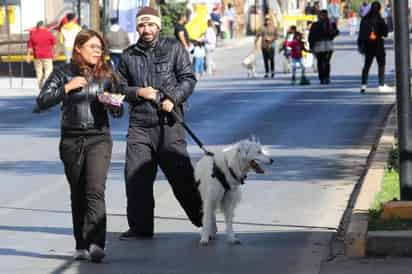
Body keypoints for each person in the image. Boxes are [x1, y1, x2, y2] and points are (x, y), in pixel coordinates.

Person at [34, 29, 124, 263]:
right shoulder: (63, 73)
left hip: (99, 138)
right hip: (72, 140)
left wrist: (114, 104)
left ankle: (96, 243)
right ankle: (81, 244)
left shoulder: (107, 74)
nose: (98, 52)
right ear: (78, 48)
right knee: (78, 193)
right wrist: (67, 87)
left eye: (100, 48)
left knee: (95, 190)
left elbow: (119, 110)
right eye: (93, 47)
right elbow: (42, 101)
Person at [116, 7, 203, 240]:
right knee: (135, 179)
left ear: (158, 26)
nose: (147, 29)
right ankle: (140, 228)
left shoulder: (174, 48)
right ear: (137, 28)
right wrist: (139, 92)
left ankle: (204, 220)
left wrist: (172, 97)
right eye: (142, 25)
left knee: (182, 178)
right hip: (139, 126)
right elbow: (118, 87)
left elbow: (188, 79)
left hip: (169, 124)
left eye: (151, 25)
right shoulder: (128, 56)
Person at [358, 1, 393, 93]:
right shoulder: (380, 19)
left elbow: (361, 34)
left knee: (366, 66)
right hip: (378, 45)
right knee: (381, 64)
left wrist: (360, 45)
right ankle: (381, 84)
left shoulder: (365, 19)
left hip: (368, 46)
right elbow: (385, 33)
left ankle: (363, 85)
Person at [309, 9, 339, 84]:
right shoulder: (315, 24)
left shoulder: (331, 24)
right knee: (320, 61)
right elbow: (311, 36)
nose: (323, 16)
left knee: (327, 62)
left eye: (325, 15)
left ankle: (326, 77)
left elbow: (336, 32)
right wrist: (311, 46)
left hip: (328, 44)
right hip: (319, 45)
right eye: (322, 15)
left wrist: (333, 33)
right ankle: (322, 77)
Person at [26, 20, 57, 88]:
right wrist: (54, 53)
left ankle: (40, 87)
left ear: (37, 26)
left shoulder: (33, 34)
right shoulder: (48, 33)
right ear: (43, 26)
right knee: (48, 70)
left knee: (39, 72)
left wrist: (28, 56)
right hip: (47, 55)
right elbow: (54, 44)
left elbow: (29, 47)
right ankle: (45, 83)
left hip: (37, 56)